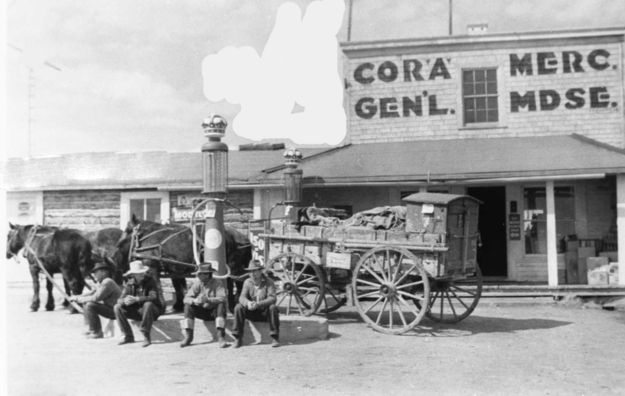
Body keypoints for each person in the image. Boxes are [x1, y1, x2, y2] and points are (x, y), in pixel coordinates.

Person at [114, 260, 165, 347]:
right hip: (139, 311)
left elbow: (153, 297)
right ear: (133, 275)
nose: (142, 274)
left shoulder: (150, 281)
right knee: (117, 307)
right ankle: (128, 336)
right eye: (139, 273)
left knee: (148, 304)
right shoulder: (129, 284)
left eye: (142, 272)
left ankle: (146, 335)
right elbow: (119, 300)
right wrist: (125, 301)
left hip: (152, 311)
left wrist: (137, 299)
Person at [232, 259, 280, 348]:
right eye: (250, 272)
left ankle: (275, 337)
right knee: (238, 307)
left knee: (273, 308)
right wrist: (248, 303)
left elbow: (272, 298)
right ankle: (237, 338)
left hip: (264, 312)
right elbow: (242, 297)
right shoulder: (247, 282)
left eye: (255, 271)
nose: (252, 274)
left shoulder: (269, 282)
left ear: (261, 271)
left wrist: (259, 304)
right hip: (251, 311)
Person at [180, 262, 228, 348]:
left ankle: (221, 336)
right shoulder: (198, 283)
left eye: (200, 274)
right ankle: (188, 336)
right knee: (188, 306)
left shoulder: (218, 283)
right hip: (203, 311)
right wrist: (195, 301)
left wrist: (208, 300)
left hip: (214, 313)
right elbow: (186, 298)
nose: (198, 276)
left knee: (221, 305)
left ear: (207, 275)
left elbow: (223, 298)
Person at [70, 261, 121, 339]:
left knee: (90, 305)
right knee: (87, 303)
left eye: (96, 272)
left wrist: (79, 299)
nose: (94, 275)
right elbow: (92, 292)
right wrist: (77, 296)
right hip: (111, 308)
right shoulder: (101, 282)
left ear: (104, 272)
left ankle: (97, 332)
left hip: (116, 311)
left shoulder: (107, 282)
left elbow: (96, 298)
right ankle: (91, 329)